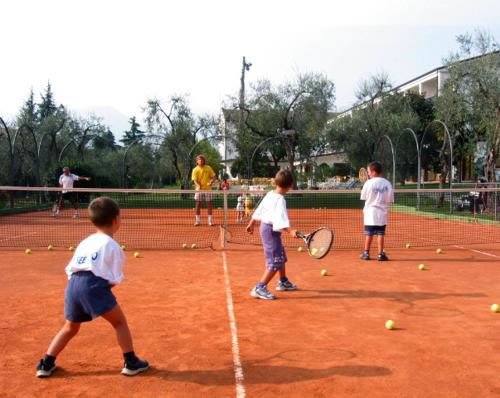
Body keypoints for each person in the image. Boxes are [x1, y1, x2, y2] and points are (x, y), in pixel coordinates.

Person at [36, 197, 149, 378]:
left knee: (70, 327)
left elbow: (70, 268)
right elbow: (114, 279)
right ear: (116, 220)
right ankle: (131, 362)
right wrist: (97, 292)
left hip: (73, 284)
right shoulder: (113, 246)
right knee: (119, 322)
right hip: (93, 286)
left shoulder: (85, 241)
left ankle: (45, 363)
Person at [246, 169, 298, 300]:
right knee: (275, 260)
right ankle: (260, 287)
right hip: (270, 230)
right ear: (290, 185)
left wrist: (252, 222)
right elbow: (280, 221)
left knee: (280, 254)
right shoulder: (280, 200)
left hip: (266, 228)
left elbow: (260, 209)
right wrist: (290, 231)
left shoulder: (270, 194)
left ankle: (283, 281)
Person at [359, 161, 394, 261]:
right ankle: (380, 254)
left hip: (370, 213)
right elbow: (390, 199)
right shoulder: (387, 183)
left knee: (369, 233)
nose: (368, 174)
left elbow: (363, 197)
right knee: (380, 233)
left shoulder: (368, 183)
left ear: (374, 172)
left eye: (369, 171)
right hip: (382, 213)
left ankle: (366, 253)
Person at [191, 155, 216, 226]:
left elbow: (214, 176)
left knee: (209, 205)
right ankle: (197, 221)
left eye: (202, 160)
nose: (201, 161)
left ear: (204, 161)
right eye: (199, 160)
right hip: (199, 190)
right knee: (198, 204)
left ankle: (210, 221)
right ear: (197, 161)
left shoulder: (208, 168)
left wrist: (211, 181)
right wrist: (198, 186)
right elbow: (194, 180)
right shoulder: (195, 170)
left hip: (208, 189)